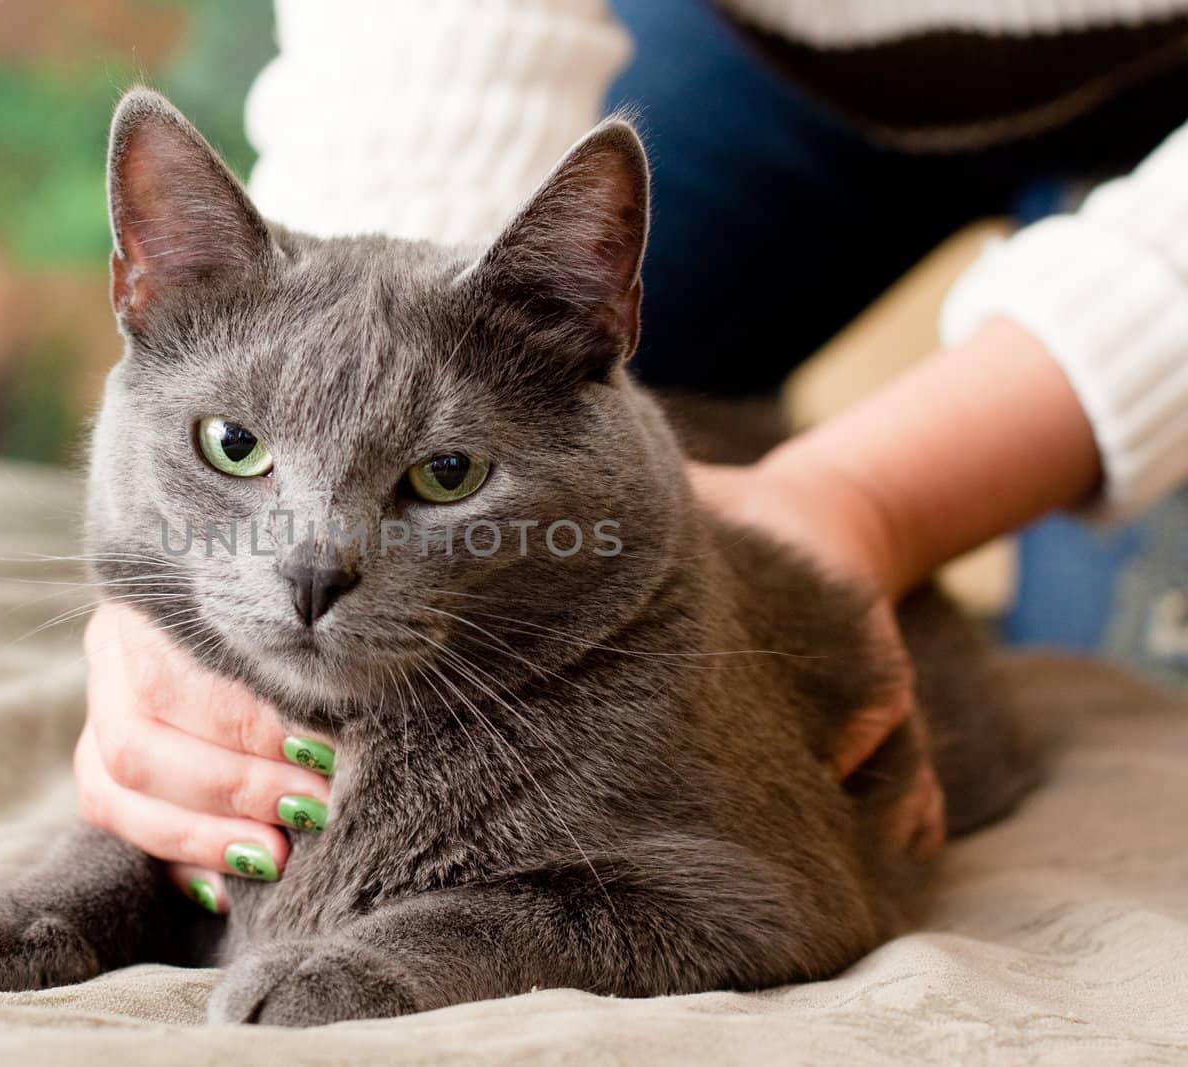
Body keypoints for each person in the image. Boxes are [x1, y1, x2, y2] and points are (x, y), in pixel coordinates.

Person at [77, 0, 1188, 910]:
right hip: (769, 37)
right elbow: (367, 318)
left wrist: (864, 499)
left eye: (438, 480)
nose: (313, 563)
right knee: (516, 392)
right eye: (235, 452)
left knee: (1124, 667)